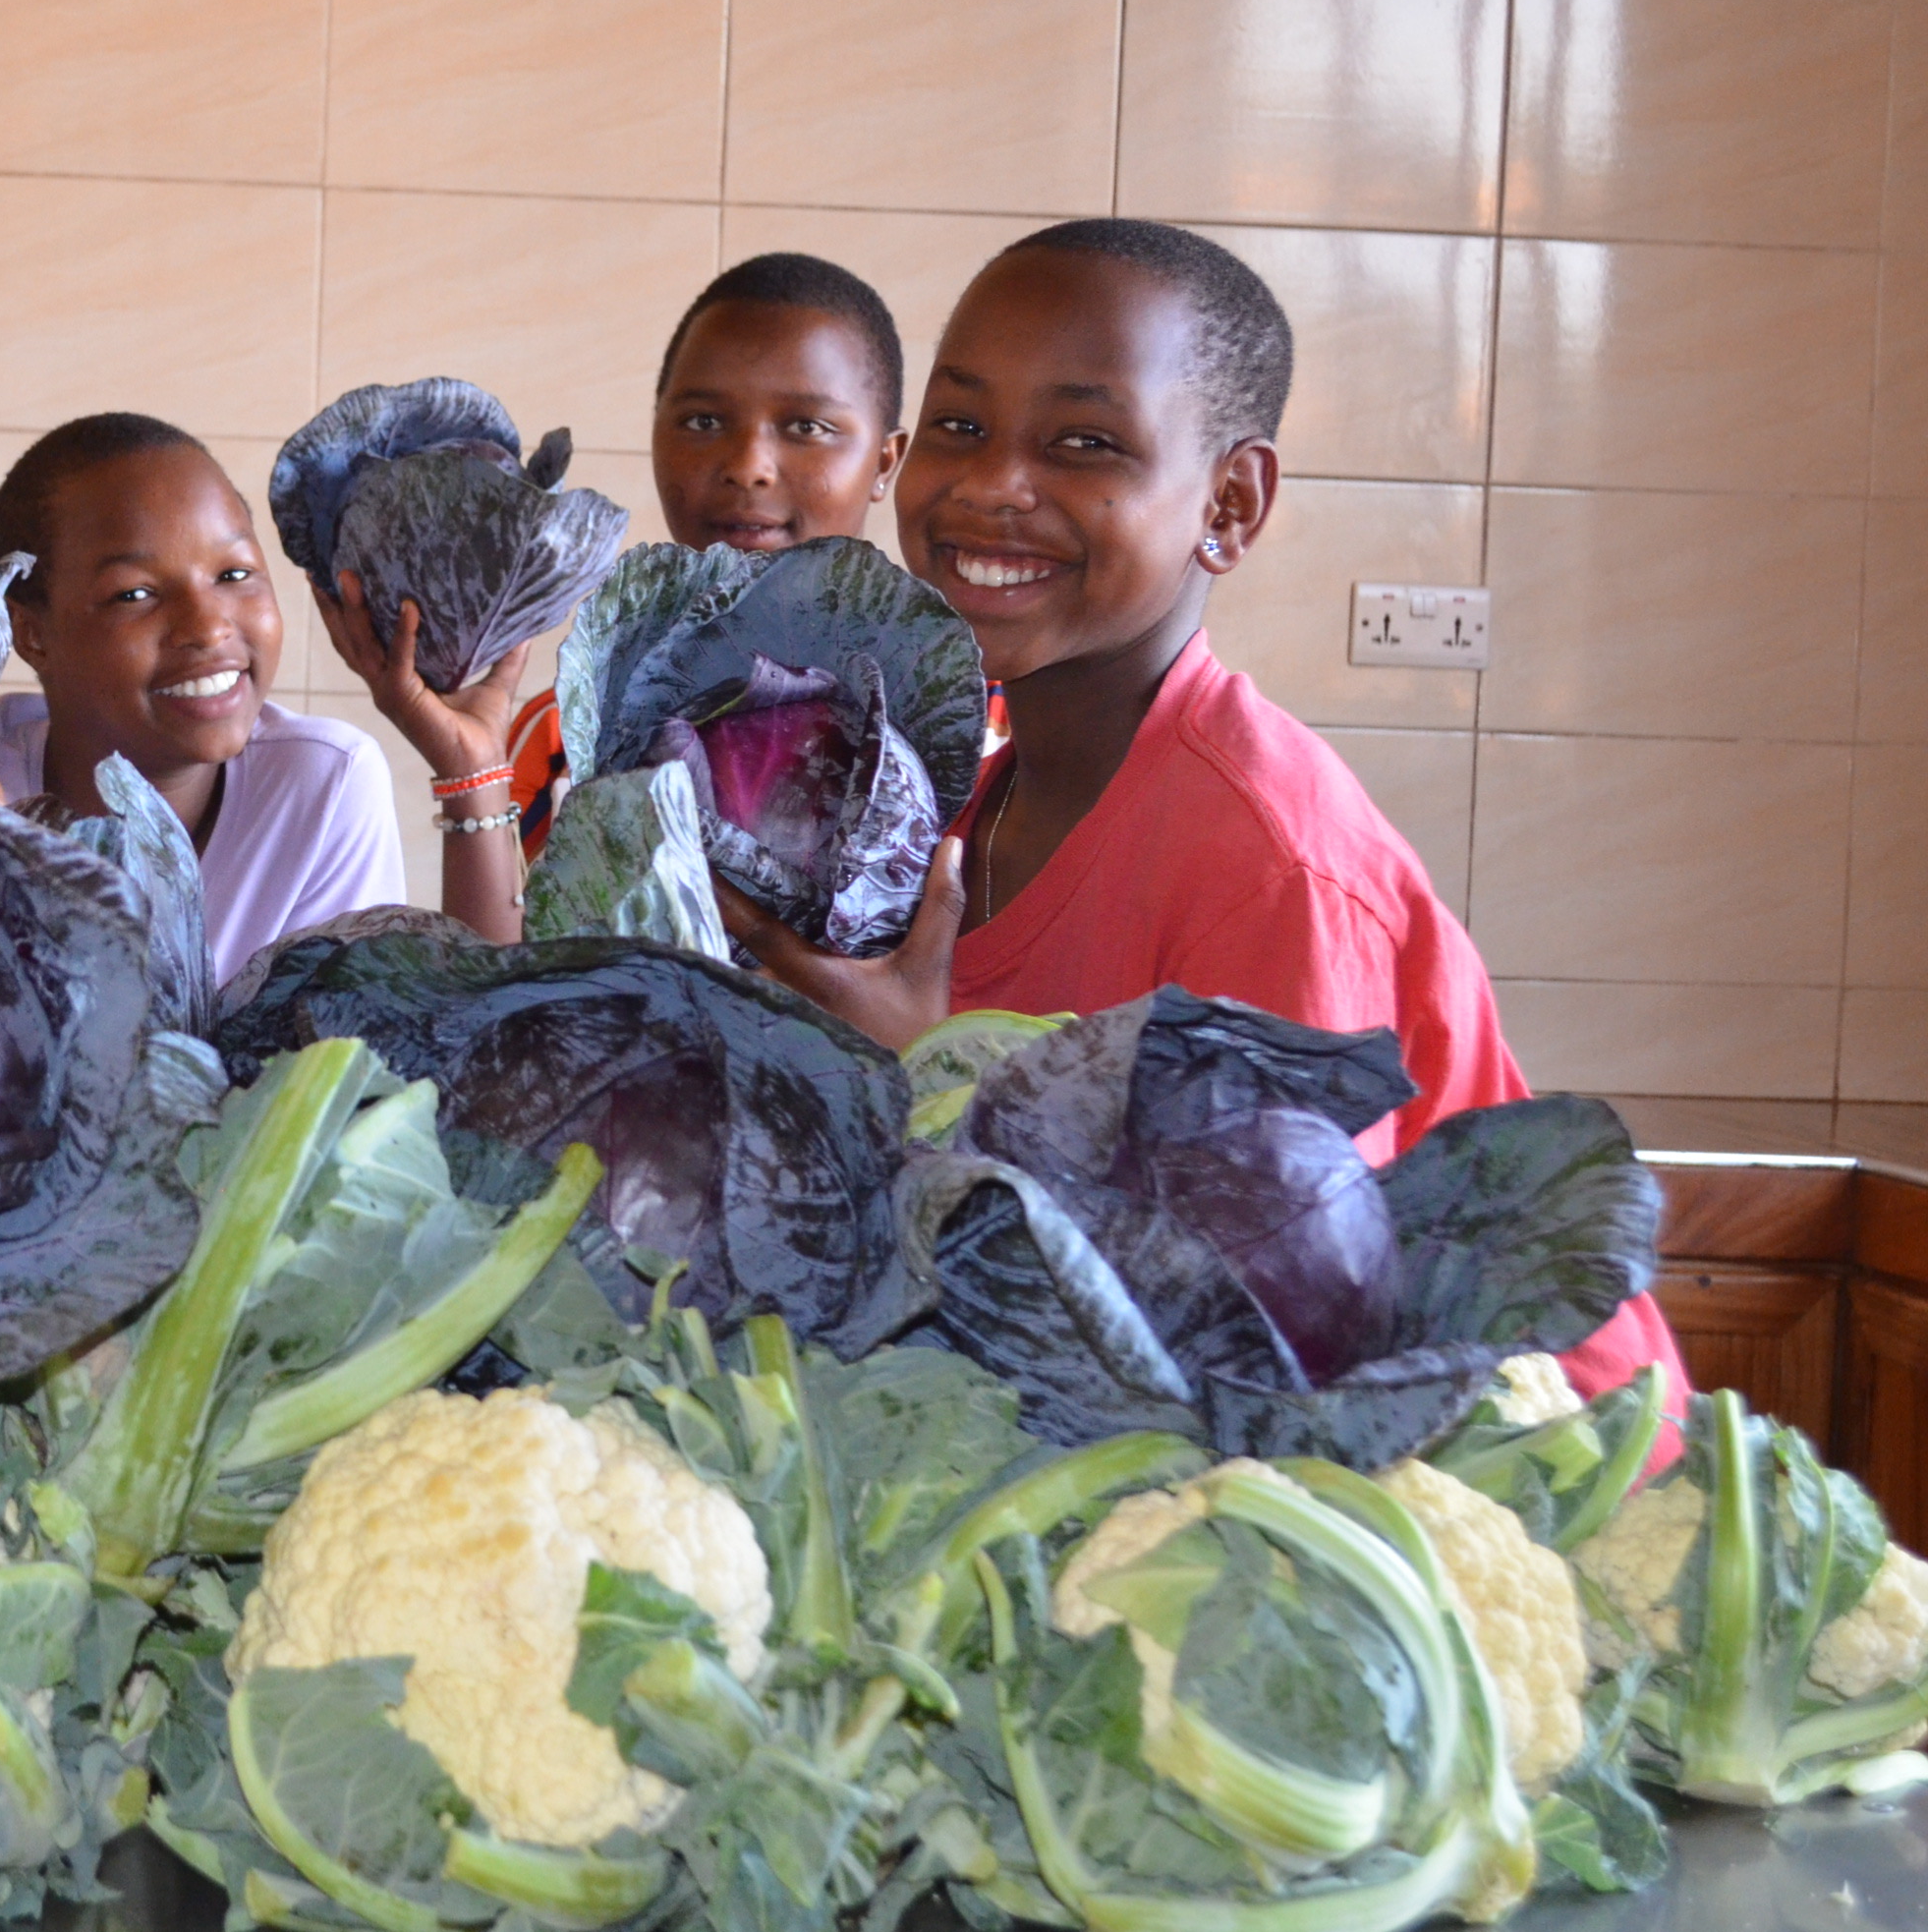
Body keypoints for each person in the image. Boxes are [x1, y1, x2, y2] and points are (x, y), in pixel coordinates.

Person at [721, 218, 1687, 1410]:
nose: (988, 487)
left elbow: (1280, 1360)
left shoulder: (1267, 865)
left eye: (1084, 442)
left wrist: (910, 1075)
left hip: (1508, 1511)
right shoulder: (970, 791)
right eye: (963, 427)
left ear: (1229, 502)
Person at [320, 253, 912, 942]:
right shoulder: (569, 730)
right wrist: (470, 768)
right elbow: (513, 993)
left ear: (884, 462)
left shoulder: (973, 732)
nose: (748, 465)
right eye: (701, 422)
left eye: (807, 427)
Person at [0, 413, 401, 985]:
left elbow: (367, 1045)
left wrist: (469, 774)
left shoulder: (323, 785)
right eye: (135, 594)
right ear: (30, 633)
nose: (208, 628)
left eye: (234, 573)